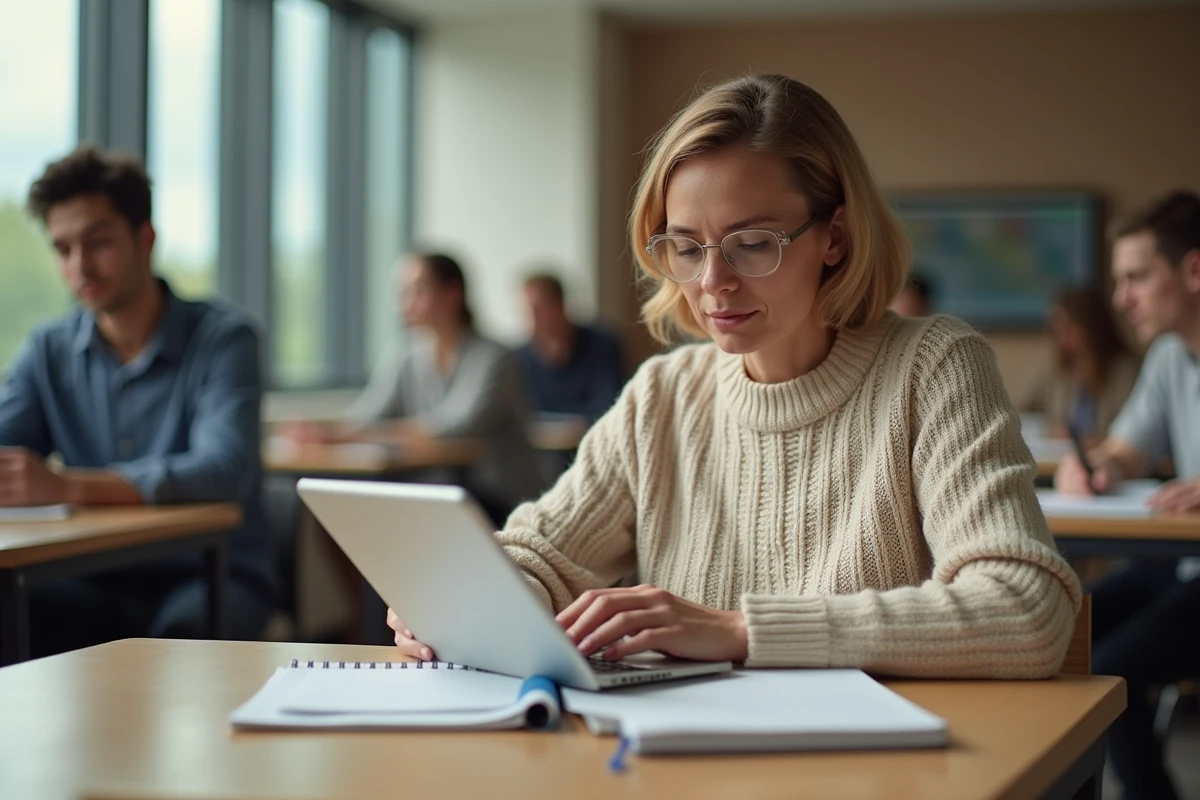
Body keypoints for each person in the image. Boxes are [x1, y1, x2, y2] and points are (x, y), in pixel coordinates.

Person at [388, 73, 1080, 679]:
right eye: (686, 248)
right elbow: (543, 554)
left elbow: (1026, 609)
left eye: (752, 244)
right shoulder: (664, 395)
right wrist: (469, 596)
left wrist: (742, 632)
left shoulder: (933, 367)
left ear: (834, 237)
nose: (713, 283)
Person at [0, 145, 277, 656]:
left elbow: (224, 470)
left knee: (173, 648)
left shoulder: (224, 338)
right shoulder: (48, 350)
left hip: (209, 573)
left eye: (98, 242)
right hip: (92, 576)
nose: (80, 265)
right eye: (62, 249)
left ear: (144, 239)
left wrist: (66, 486)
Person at [1055, 190, 1200, 800]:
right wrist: (1088, 469)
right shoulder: (1170, 357)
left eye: (1137, 277)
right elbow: (1124, 450)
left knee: (1110, 664)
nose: (1121, 300)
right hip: (1179, 566)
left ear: (1193, 270)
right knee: (1059, 636)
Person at [284, 252, 546, 525]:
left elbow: (454, 428)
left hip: (502, 500)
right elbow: (371, 415)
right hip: (438, 490)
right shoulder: (406, 354)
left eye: (417, 291)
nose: (404, 304)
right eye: (402, 292)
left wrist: (361, 437)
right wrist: (325, 433)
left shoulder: (494, 357)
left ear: (452, 294)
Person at [1023, 286, 1140, 440]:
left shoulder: (1126, 373)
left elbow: (1134, 437)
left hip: (1107, 459)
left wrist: (1085, 440)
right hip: (1060, 459)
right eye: (1057, 328)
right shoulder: (1058, 371)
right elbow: (1023, 412)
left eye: (1069, 327)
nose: (1061, 337)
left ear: (1092, 327)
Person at [516, 272, 626, 423]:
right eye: (525, 310)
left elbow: (609, 406)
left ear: (560, 306)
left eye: (539, 309)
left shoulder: (602, 346)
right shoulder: (518, 359)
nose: (532, 317)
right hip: (537, 446)